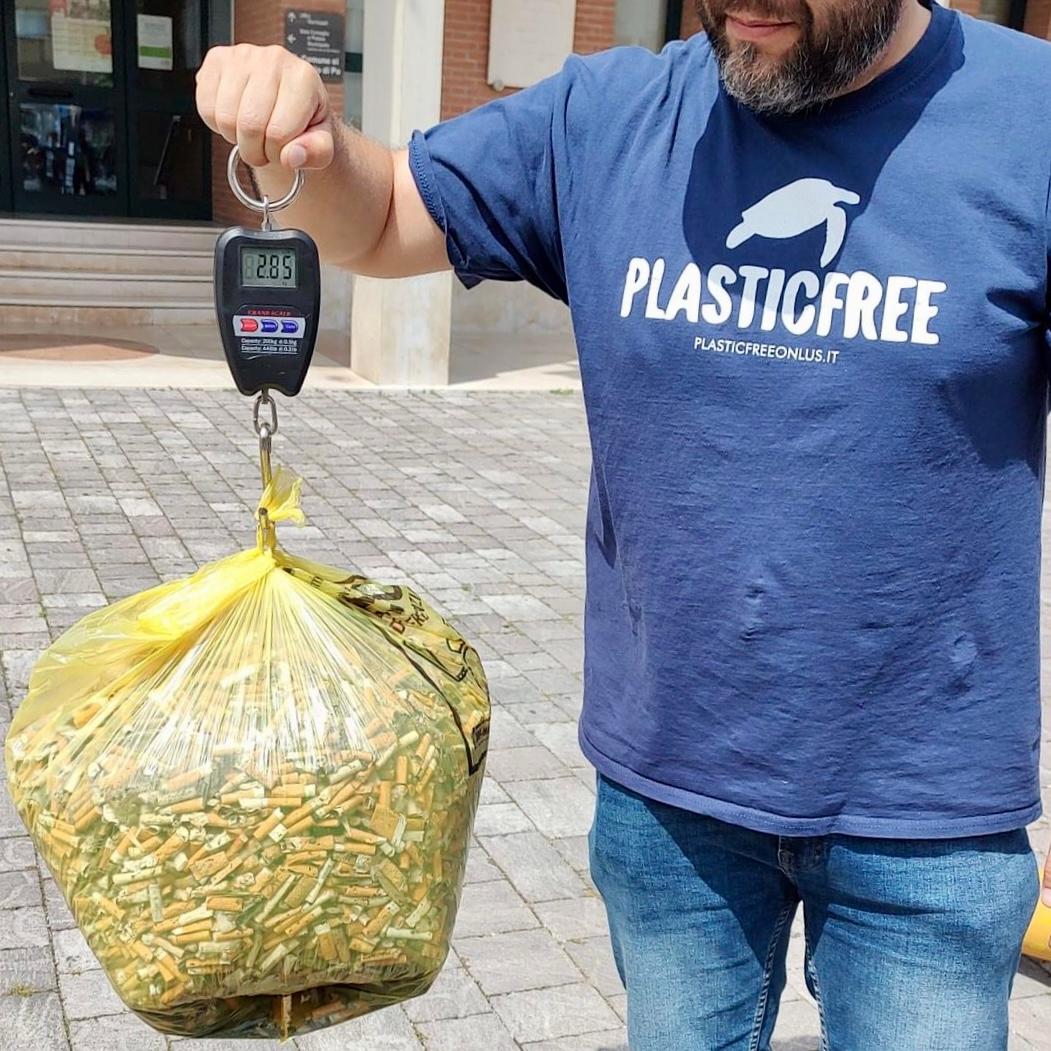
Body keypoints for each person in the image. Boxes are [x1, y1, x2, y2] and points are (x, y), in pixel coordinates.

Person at [195, 3, 1051, 1047]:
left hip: (927, 812)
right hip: (670, 796)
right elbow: (377, 219)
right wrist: (307, 144)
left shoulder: (1029, 119)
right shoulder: (606, 118)